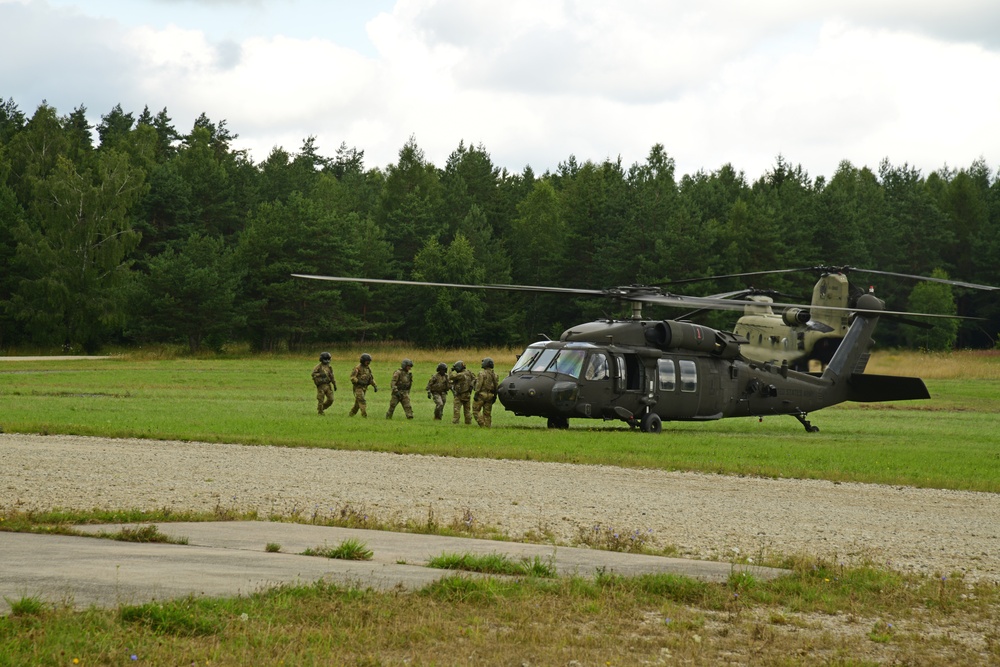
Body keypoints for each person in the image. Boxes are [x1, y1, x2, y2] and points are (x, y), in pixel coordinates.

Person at [473, 357, 499, 427]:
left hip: (481, 395)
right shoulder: (495, 375)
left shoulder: (482, 374)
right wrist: (495, 396)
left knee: (475, 410)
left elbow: (479, 384)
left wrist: (476, 393)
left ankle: (482, 424)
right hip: (490, 395)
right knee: (487, 413)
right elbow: (496, 386)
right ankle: (487, 426)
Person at [348, 353, 378, 417]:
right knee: (362, 401)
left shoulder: (368, 369)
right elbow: (352, 377)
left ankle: (351, 415)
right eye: (367, 361)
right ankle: (364, 415)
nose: (368, 363)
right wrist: (358, 381)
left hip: (364, 388)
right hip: (358, 388)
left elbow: (370, 378)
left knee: (357, 404)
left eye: (369, 361)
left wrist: (374, 385)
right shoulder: (357, 368)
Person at [449, 360, 476, 425]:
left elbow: (450, 377)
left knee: (456, 409)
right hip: (467, 394)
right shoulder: (469, 373)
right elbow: (475, 379)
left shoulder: (460, 375)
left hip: (460, 395)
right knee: (467, 410)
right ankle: (468, 422)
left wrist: (450, 370)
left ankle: (455, 421)